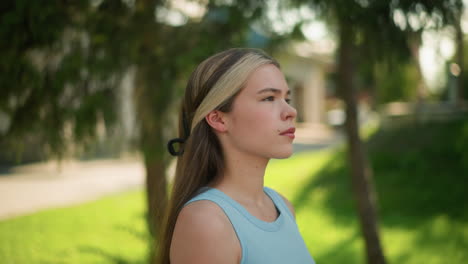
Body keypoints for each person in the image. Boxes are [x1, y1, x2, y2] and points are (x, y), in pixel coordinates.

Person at [158, 48, 315, 264]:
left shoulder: (283, 207)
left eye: (286, 98)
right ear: (218, 119)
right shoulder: (206, 222)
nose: (291, 111)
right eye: (269, 98)